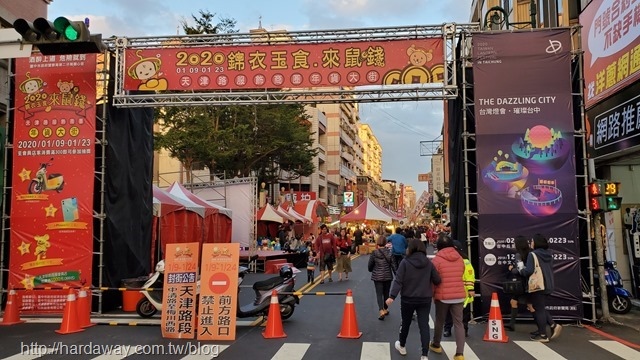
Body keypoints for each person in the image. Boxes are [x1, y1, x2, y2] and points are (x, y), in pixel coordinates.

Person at [386, 238, 441, 360]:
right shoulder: (429, 263)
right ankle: (424, 355)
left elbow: (398, 280)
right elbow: (437, 280)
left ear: (410, 249)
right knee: (424, 325)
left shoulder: (405, 263)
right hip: (425, 298)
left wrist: (392, 296)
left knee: (406, 322)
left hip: (408, 298)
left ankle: (402, 345)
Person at [518, 233, 562, 342]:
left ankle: (543, 335)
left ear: (536, 243)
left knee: (539, 309)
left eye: (532, 241)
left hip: (538, 285)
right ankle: (551, 326)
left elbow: (529, 271)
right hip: (548, 284)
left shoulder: (532, 255)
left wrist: (520, 270)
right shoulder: (549, 254)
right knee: (540, 307)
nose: (531, 243)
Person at [429, 234, 466, 360]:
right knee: (458, 323)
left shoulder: (437, 260)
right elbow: (462, 273)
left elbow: (434, 279)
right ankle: (460, 353)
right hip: (459, 295)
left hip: (443, 295)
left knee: (440, 320)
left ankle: (436, 344)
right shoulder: (460, 258)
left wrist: (433, 294)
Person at [443, 239, 475, 338]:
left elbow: (469, 276)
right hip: (453, 290)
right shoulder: (446, 260)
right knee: (450, 312)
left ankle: (463, 329)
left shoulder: (465, 262)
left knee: (462, 313)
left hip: (462, 291)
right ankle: (448, 329)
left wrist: (470, 289)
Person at [506, 235, 532, 331]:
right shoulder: (531, 253)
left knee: (530, 305)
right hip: (529, 283)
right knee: (514, 301)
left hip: (522, 283)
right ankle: (511, 324)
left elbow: (520, 271)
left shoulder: (518, 255)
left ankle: (549, 324)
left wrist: (512, 269)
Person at [368, 234, 397, 320]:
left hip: (377, 276)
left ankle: (381, 310)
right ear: (385, 243)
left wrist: (373, 269)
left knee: (379, 294)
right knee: (386, 293)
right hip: (388, 275)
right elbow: (394, 266)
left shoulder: (374, 253)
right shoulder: (390, 253)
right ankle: (385, 309)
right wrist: (398, 276)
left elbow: (370, 266)